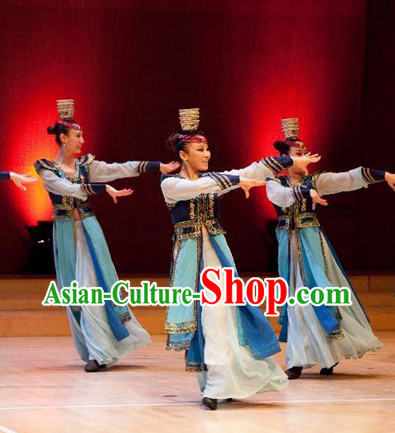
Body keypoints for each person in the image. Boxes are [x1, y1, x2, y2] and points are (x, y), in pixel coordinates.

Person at [161, 108, 318, 410]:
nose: (207, 153)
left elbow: (250, 172)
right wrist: (237, 179)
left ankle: (220, 384)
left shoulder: (213, 179)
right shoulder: (170, 185)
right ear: (183, 154)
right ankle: (215, 383)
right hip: (191, 263)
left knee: (221, 319)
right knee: (206, 322)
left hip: (218, 259)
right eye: (199, 149)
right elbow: (203, 186)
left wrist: (287, 161)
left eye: (207, 148)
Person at [35, 99, 179, 372]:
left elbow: (119, 168)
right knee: (75, 292)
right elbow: (69, 189)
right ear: (63, 139)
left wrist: (155, 166)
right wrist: (104, 190)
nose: (82, 140)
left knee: (93, 286)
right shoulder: (47, 170)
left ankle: (100, 353)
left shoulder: (85, 166)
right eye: (77, 135)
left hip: (89, 231)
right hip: (67, 234)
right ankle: (94, 348)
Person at [265, 118, 391, 379]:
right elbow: (281, 198)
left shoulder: (317, 180)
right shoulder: (274, 183)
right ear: (285, 159)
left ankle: (325, 354)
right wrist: (305, 193)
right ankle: (297, 359)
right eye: (299, 154)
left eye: (306, 153)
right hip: (288, 245)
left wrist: (384, 175)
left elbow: (348, 178)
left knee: (320, 294)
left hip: (312, 244)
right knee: (297, 301)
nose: (306, 158)